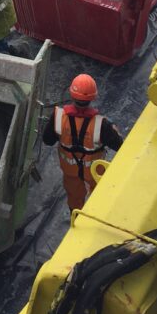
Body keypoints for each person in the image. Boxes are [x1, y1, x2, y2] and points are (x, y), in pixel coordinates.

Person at [42, 73, 123, 212]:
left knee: (74, 198)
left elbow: (47, 140)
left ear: (72, 95)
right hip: (94, 171)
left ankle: (76, 220)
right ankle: (94, 217)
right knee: (97, 196)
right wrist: (115, 131)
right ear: (93, 97)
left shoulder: (58, 117)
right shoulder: (101, 124)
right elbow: (120, 146)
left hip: (70, 171)